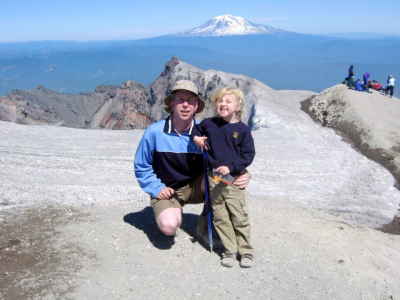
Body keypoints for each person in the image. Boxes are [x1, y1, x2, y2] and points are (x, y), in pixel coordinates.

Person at [134, 80, 250, 241]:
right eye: (180, 100)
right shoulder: (154, 132)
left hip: (197, 186)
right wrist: (156, 187)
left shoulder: (205, 132)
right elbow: (142, 165)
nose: (185, 105)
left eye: (191, 101)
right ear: (172, 104)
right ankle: (172, 209)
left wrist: (240, 174)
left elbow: (223, 160)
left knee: (227, 184)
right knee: (169, 226)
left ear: (196, 107)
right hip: (167, 190)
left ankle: (207, 221)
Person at [192, 87, 255, 268]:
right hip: (214, 178)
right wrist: (196, 138)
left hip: (233, 178)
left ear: (238, 106)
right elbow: (196, 129)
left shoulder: (242, 130)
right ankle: (229, 250)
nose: (223, 104)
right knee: (220, 215)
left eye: (228, 101)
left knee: (238, 215)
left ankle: (246, 251)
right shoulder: (209, 124)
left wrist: (232, 167)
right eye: (220, 101)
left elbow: (248, 154)